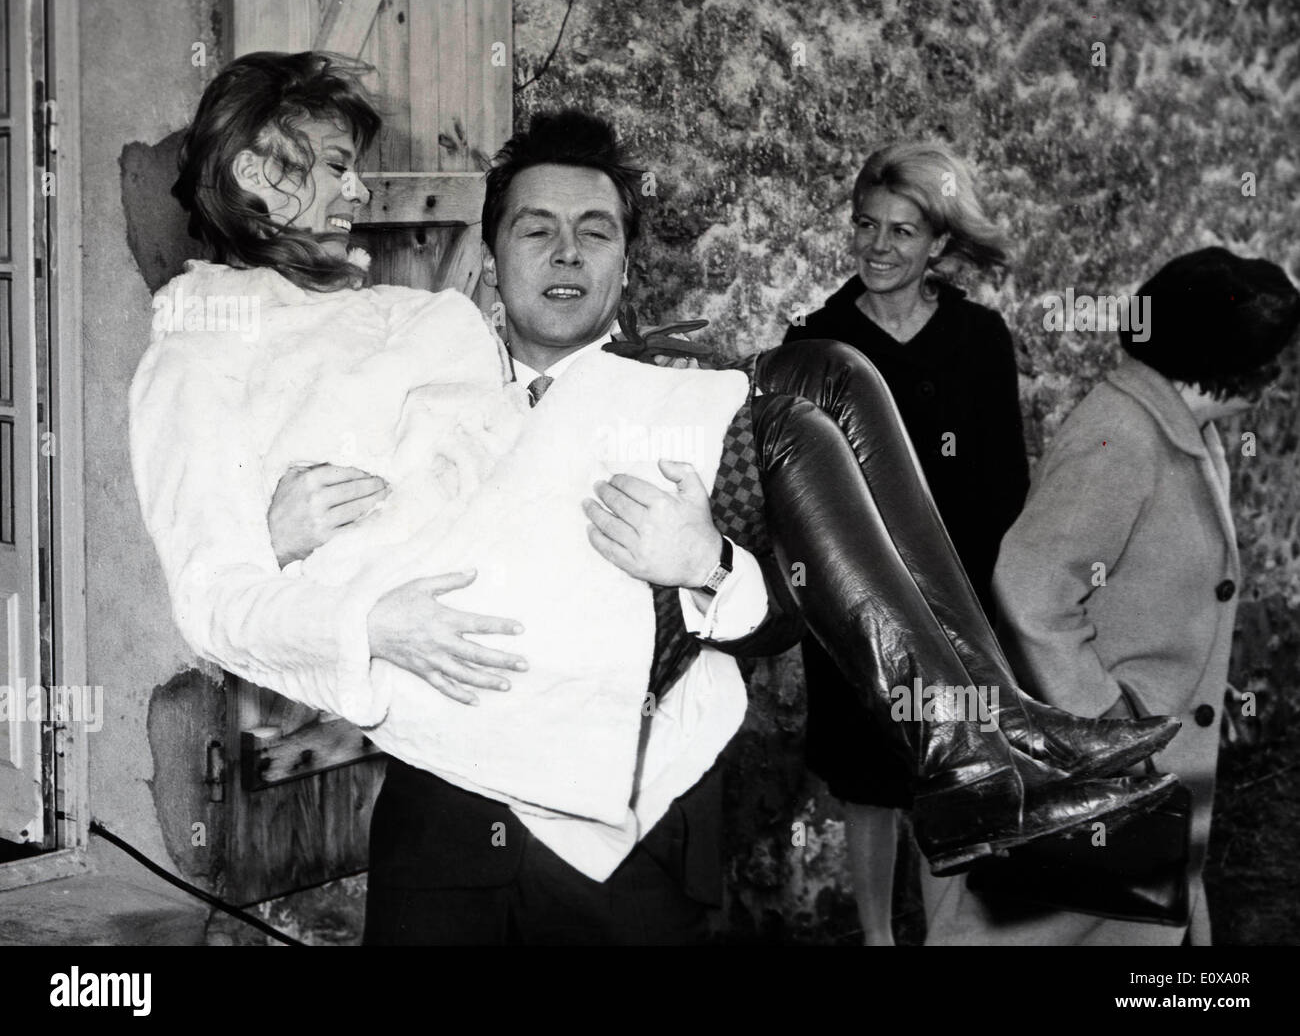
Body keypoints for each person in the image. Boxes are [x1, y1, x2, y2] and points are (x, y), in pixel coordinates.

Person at [132, 52, 1180, 947]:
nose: (566, 254)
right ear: (490, 264)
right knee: (817, 379)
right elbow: (214, 589)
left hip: (638, 831)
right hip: (456, 807)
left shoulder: (585, 376)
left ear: (629, 263)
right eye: (535, 230)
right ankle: (976, 746)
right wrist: (313, 575)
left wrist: (709, 566)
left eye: (595, 232)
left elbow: (781, 616)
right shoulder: (208, 348)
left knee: (826, 377)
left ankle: (981, 738)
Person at [923, 247, 1300, 945]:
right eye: (1270, 360)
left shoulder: (1182, 427)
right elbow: (1031, 587)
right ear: (1222, 361)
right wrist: (1104, 724)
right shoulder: (1121, 438)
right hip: (1101, 790)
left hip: (1143, 796)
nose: (1277, 379)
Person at [784, 143, 1028, 944]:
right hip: (857, 606)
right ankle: (879, 938)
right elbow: (800, 496)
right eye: (865, 226)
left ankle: (949, 936)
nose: (879, 247)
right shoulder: (816, 342)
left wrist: (995, 615)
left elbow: (1004, 488)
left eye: (902, 231)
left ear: (940, 246)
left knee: (949, 771)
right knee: (870, 783)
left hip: (958, 601)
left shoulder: (980, 340)